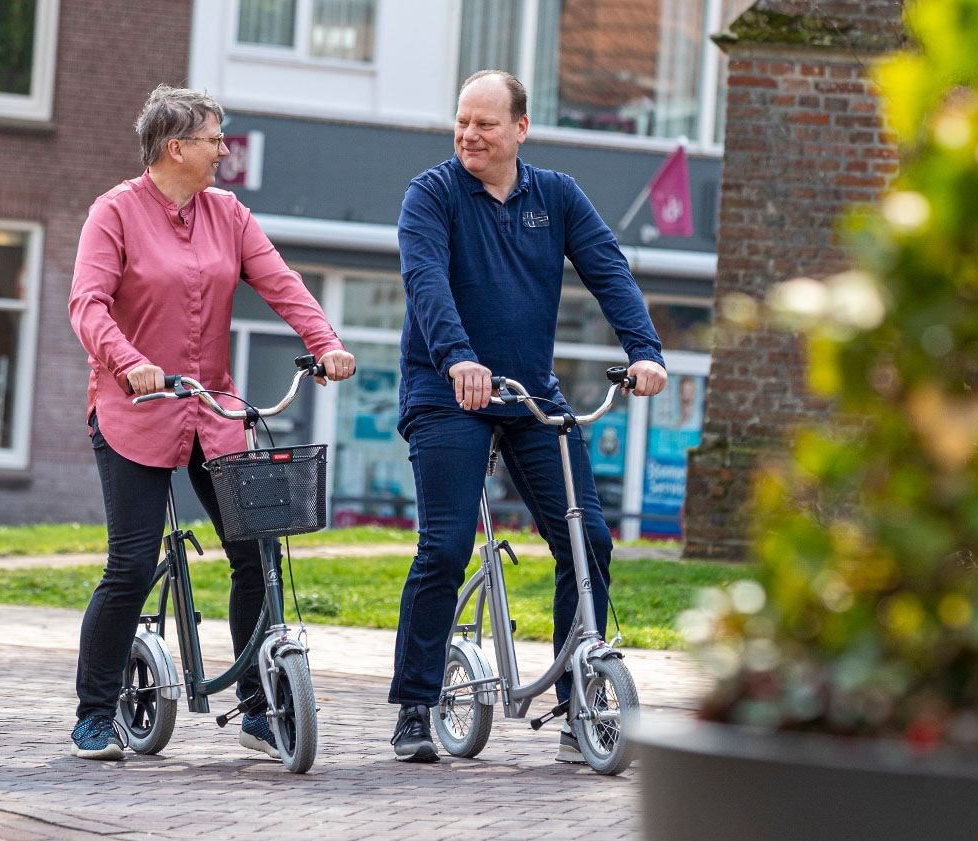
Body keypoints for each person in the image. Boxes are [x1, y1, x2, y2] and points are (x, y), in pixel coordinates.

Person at [68, 85, 356, 761]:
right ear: (176, 147)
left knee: (255, 553)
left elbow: (280, 281)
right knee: (130, 564)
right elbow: (87, 305)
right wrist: (129, 361)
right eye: (213, 138)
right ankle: (94, 712)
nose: (223, 149)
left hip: (214, 411)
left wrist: (326, 342)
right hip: (134, 409)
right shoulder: (112, 212)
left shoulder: (228, 214)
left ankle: (258, 704)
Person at [389, 70, 667, 762]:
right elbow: (424, 280)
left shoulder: (556, 196)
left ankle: (580, 699)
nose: (469, 134)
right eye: (461, 121)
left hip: (529, 393)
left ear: (519, 129)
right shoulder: (430, 195)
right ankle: (416, 704)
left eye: (485, 123)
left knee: (588, 540)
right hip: (445, 390)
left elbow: (607, 269)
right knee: (446, 544)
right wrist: (456, 357)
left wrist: (644, 351)